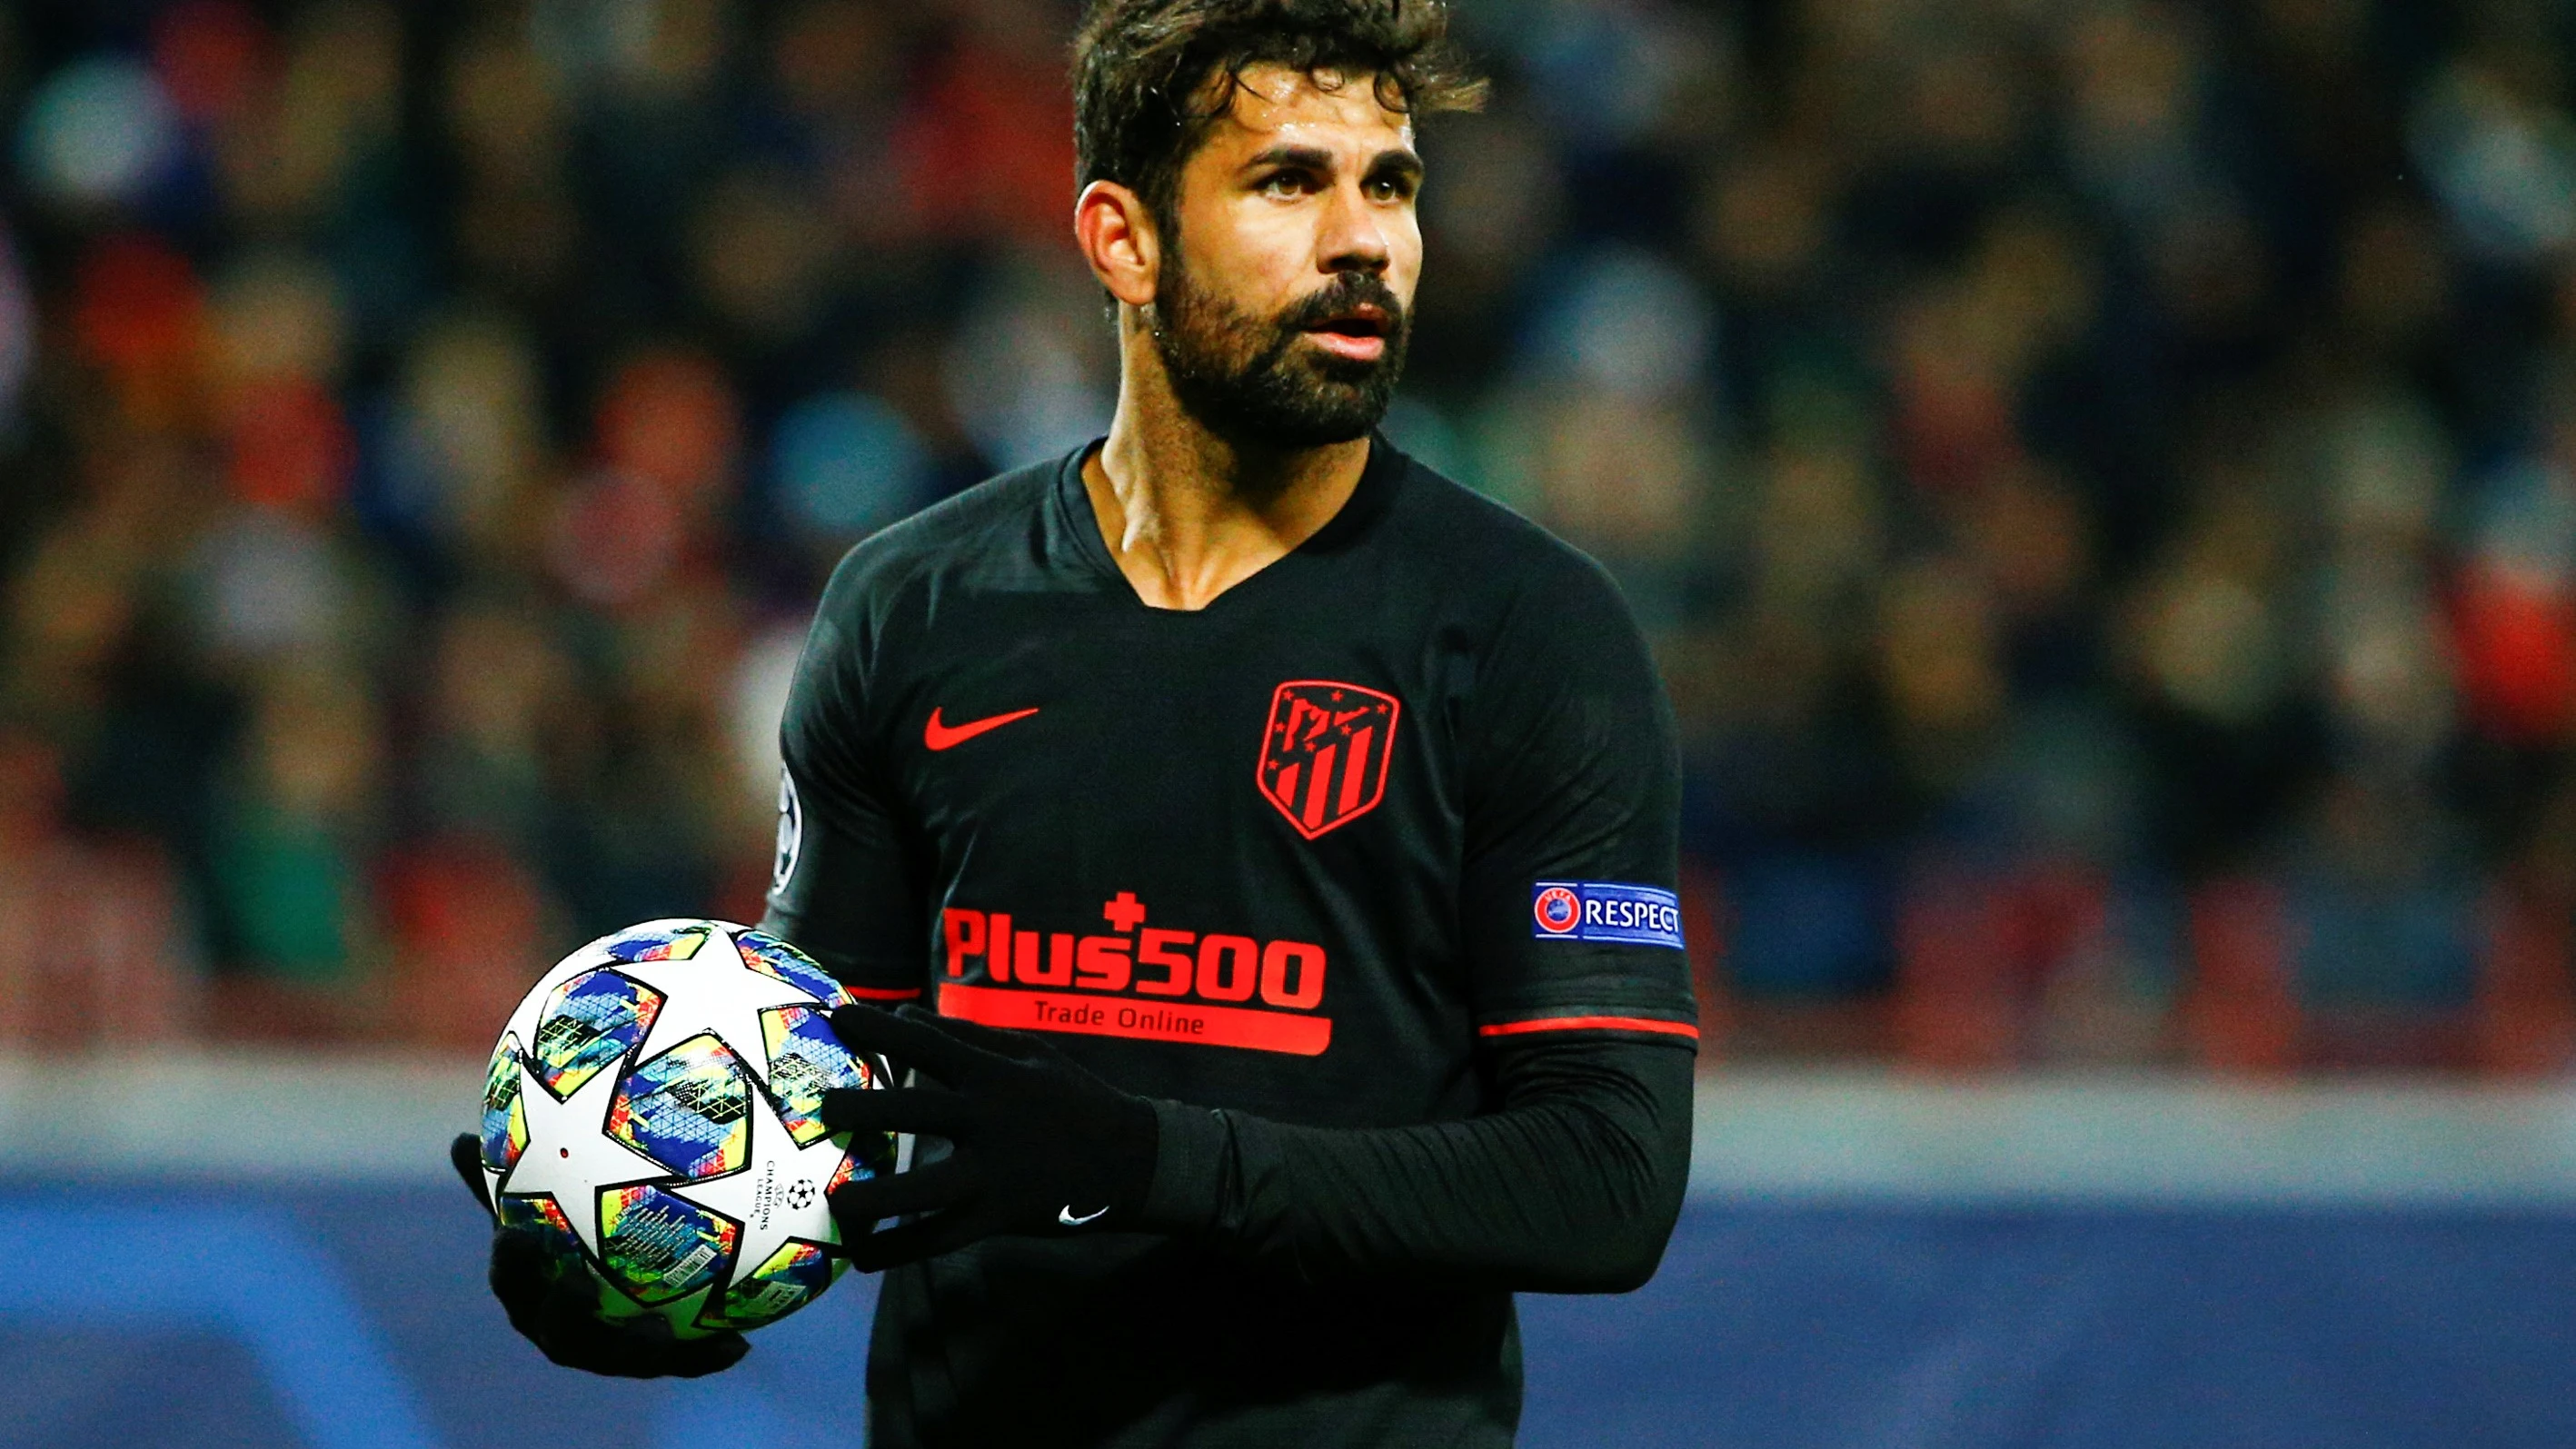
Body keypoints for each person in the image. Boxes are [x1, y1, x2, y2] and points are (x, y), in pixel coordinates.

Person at [453, 0, 1699, 1442]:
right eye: (1290, 181)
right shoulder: (912, 611)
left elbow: (1607, 1181)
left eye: (1391, 184)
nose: (1365, 240)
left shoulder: (1534, 634)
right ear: (1123, 239)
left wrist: (1151, 1161)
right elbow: (816, 1102)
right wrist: (643, 1252)